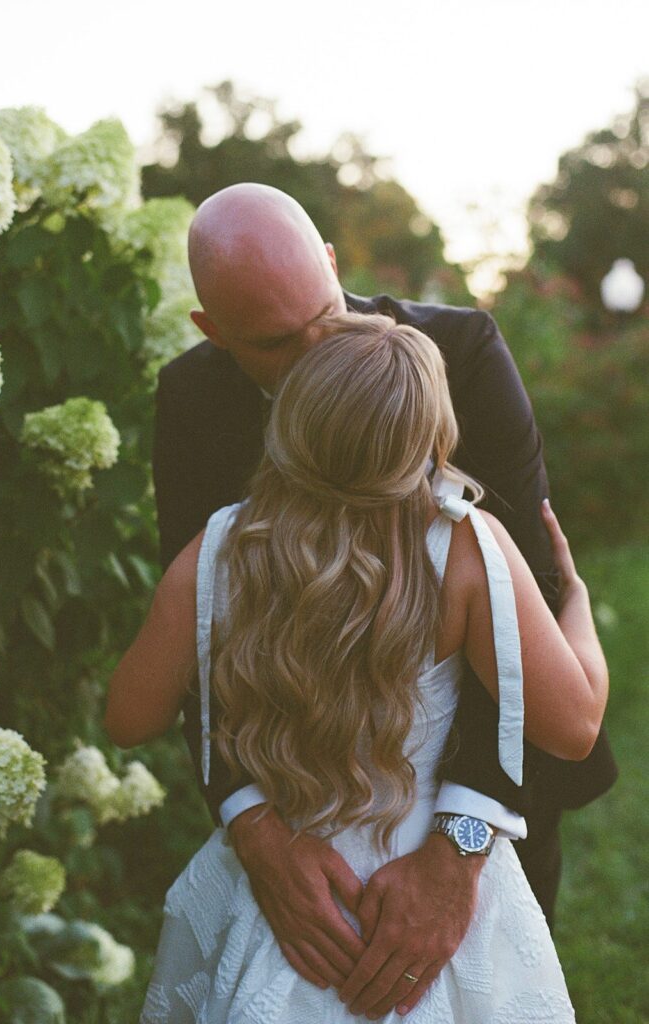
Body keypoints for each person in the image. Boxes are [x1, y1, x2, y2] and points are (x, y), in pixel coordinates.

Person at [149, 182, 617, 1013]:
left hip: (489, 789)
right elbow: (199, 643)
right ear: (212, 334)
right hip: (301, 815)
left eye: (323, 318)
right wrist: (252, 824)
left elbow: (523, 616)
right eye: (274, 345)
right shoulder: (190, 403)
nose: (317, 356)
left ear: (332, 263)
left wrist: (460, 844)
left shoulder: (454, 355)